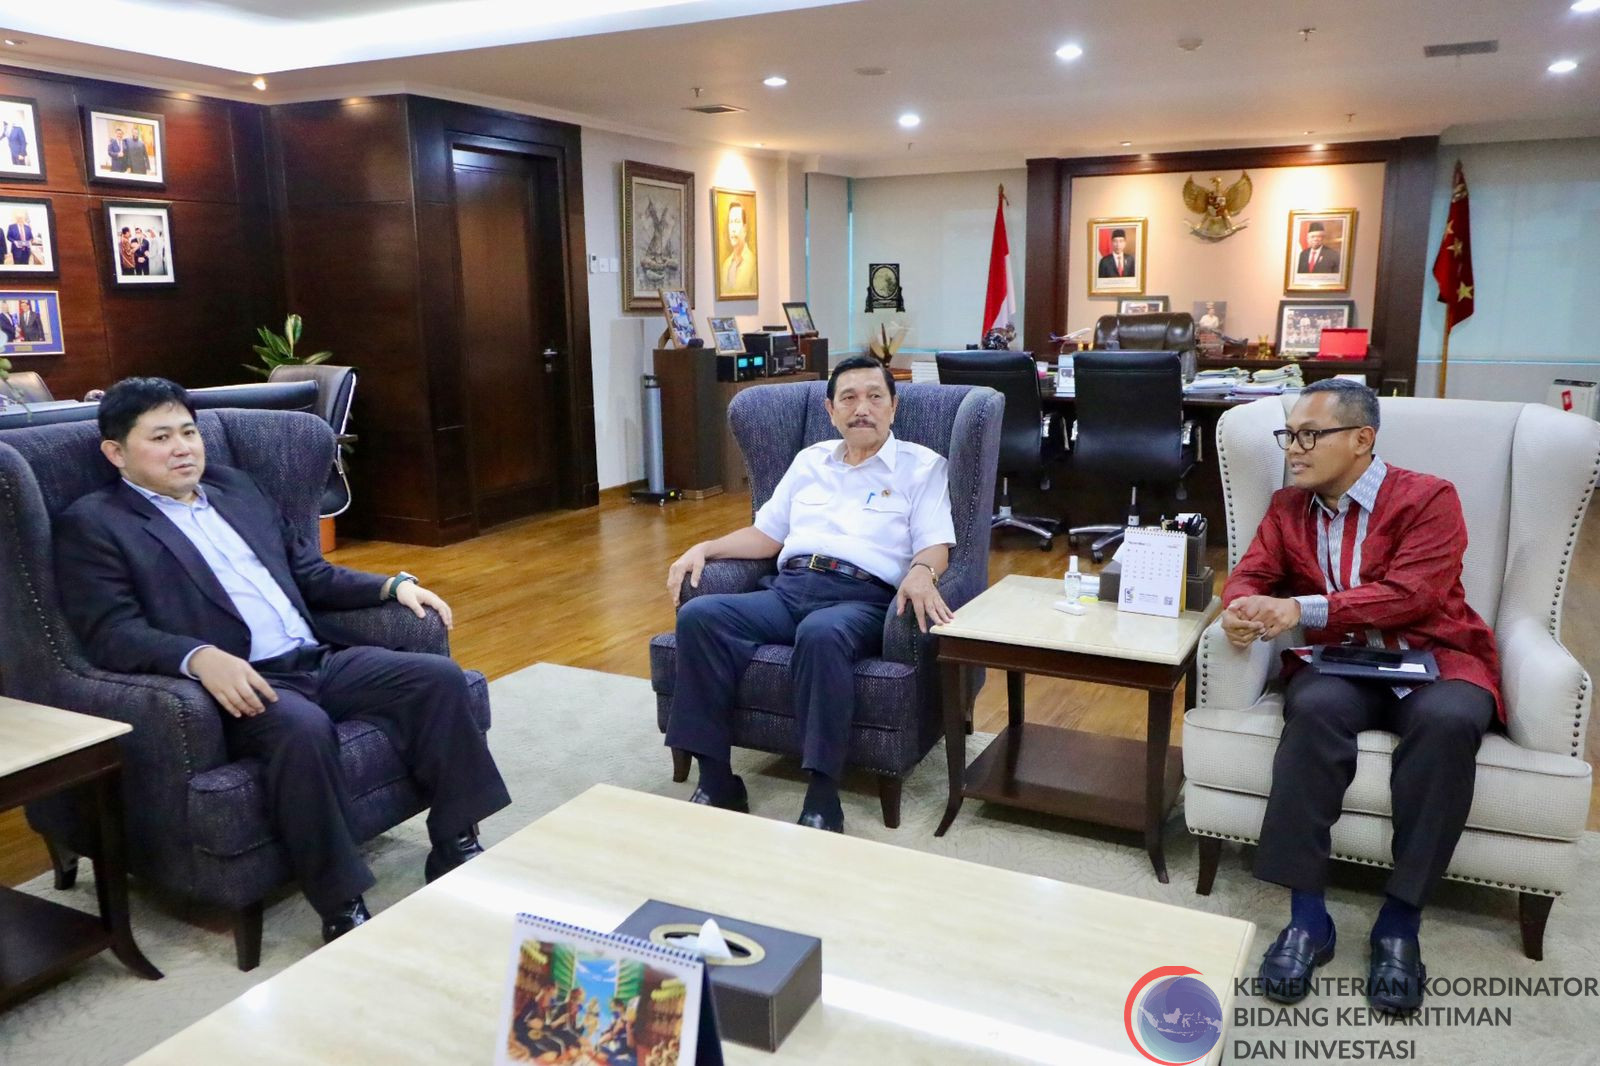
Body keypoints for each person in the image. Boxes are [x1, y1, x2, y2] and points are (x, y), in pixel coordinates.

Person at [54, 377, 512, 943]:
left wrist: (390, 587)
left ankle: (455, 842)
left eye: (189, 432)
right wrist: (198, 658)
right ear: (116, 453)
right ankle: (340, 901)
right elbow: (110, 632)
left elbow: (308, 573)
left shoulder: (234, 488)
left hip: (315, 659)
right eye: (161, 437)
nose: (183, 448)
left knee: (438, 679)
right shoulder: (95, 523)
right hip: (247, 683)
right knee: (303, 728)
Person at [1220, 378, 1499, 1016]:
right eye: (1289, 433)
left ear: (1362, 440)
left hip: (1434, 653)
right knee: (1313, 710)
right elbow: (1254, 570)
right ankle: (1307, 917)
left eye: (1310, 434)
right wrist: (1239, 607)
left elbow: (1414, 595)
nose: (1294, 447)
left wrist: (1300, 606)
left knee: (1452, 722)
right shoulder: (1289, 506)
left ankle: (1399, 923)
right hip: (1341, 662)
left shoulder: (1429, 498)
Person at [664, 355, 955, 833]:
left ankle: (822, 795)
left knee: (822, 634)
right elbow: (767, 535)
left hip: (859, 599)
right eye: (849, 398)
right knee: (701, 615)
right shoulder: (809, 461)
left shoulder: (921, 467)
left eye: (874, 396)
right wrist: (705, 547)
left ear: (893, 406)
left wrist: (923, 570)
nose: (862, 408)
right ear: (830, 409)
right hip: (788, 589)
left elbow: (935, 543)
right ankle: (716, 778)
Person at [719, 200, 756, 293]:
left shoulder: (753, 263)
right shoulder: (725, 266)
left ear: (745, 228)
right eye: (731, 222)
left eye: (736, 222)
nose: (733, 229)